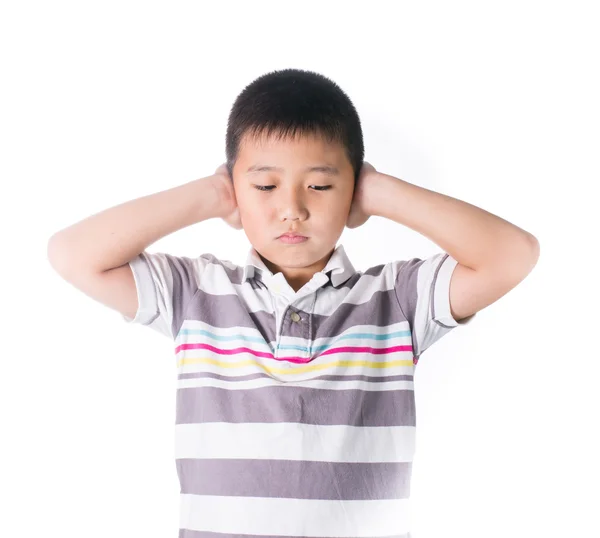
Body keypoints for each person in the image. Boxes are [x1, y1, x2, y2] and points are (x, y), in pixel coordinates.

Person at [47, 68, 540, 537]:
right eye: (264, 185)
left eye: (322, 186)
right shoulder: (195, 293)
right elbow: (73, 255)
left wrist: (380, 191)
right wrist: (212, 196)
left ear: (351, 192)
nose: (292, 209)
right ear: (236, 187)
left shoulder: (399, 301)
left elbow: (511, 256)